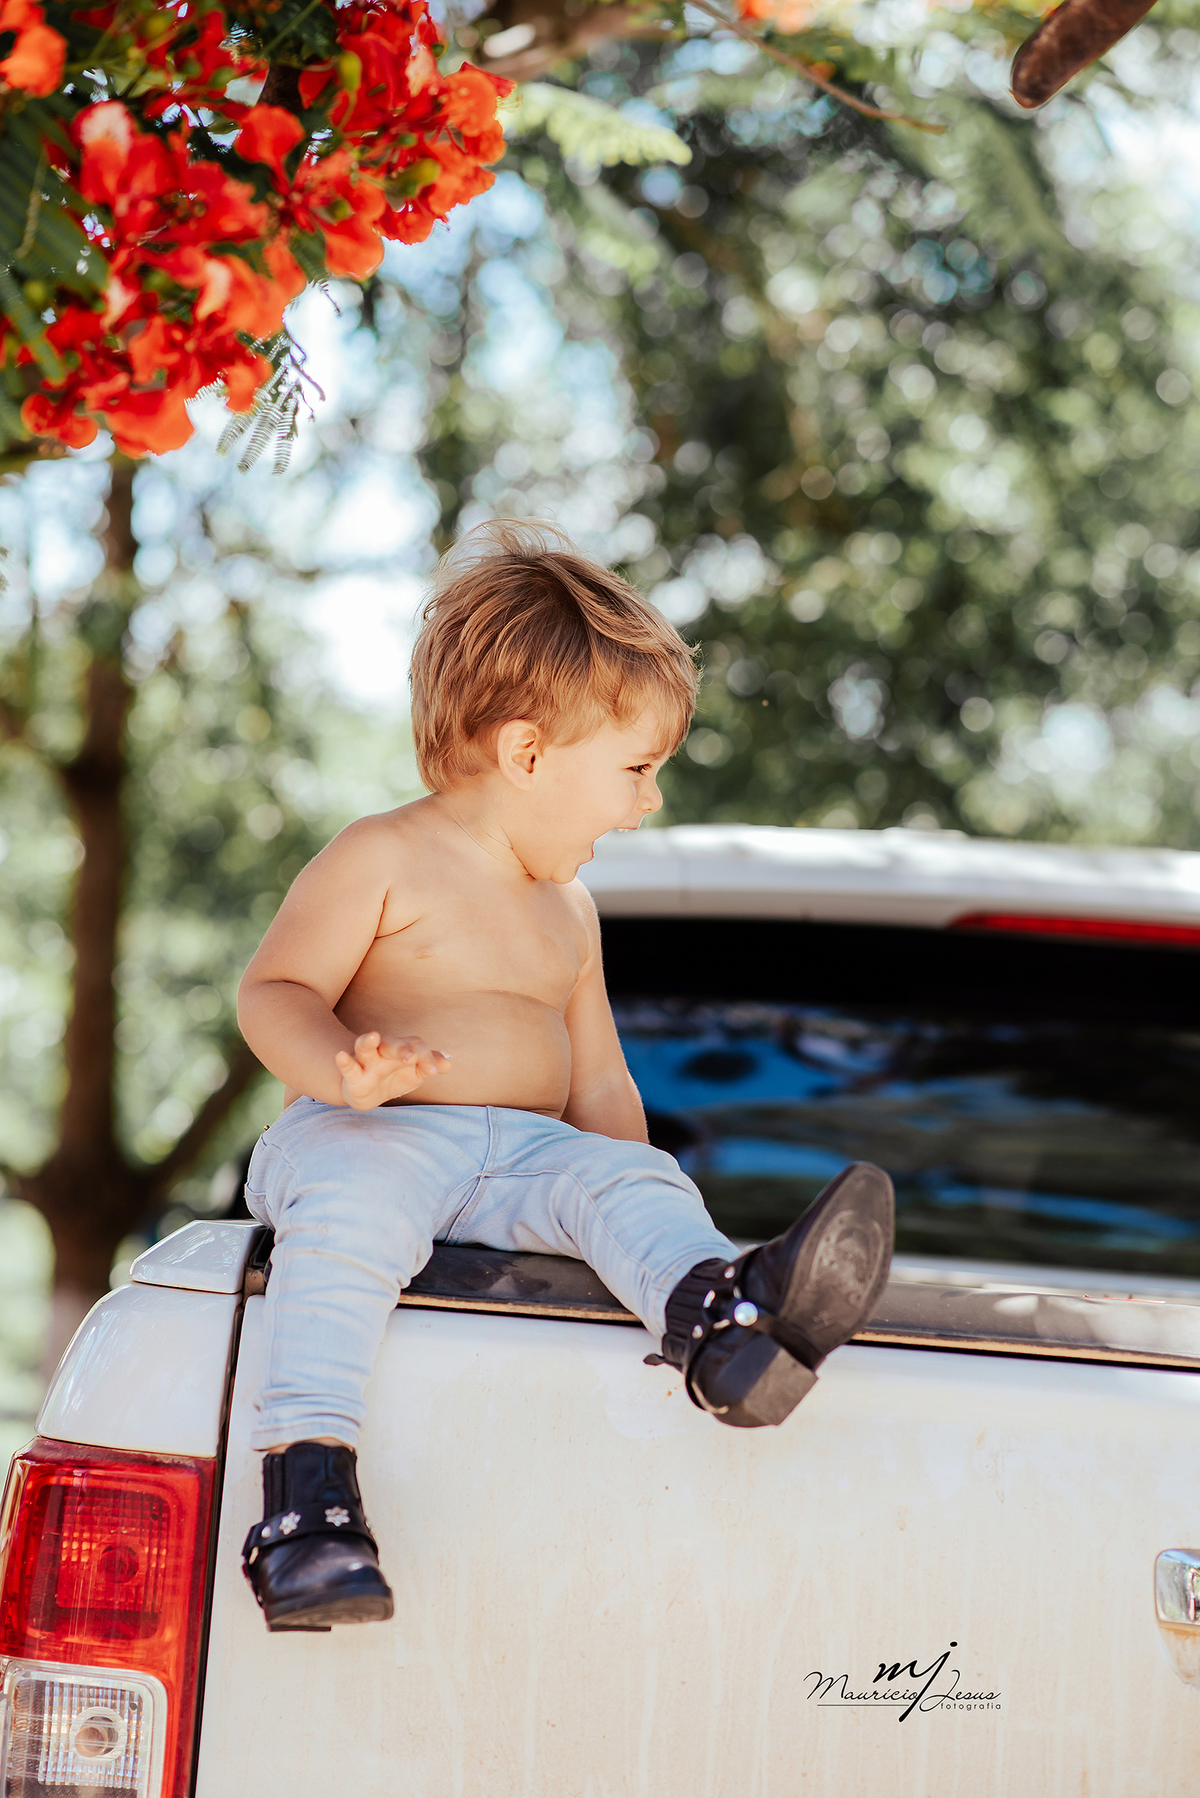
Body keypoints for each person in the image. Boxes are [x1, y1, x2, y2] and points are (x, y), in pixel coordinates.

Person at [235, 519, 895, 1633]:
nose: (648, 802)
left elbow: (600, 1086)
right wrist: (341, 1070)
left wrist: (648, 1196)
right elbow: (275, 989)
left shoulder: (571, 909)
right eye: (637, 770)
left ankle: (716, 1316)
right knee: (348, 1221)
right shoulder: (383, 854)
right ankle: (307, 1503)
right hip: (373, 1133)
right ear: (528, 754)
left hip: (524, 1160)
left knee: (626, 1181)